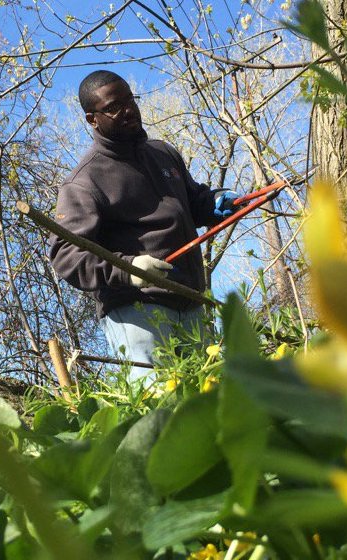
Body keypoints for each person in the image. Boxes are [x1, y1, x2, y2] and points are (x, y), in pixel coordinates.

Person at [49, 70, 237, 383]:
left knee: (208, 402)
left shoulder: (163, 153)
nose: (126, 111)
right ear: (92, 119)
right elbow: (66, 256)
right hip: (138, 311)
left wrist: (217, 203)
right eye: (113, 107)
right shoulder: (85, 181)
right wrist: (129, 269)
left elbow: (191, 203)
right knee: (161, 410)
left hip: (191, 301)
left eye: (129, 100)